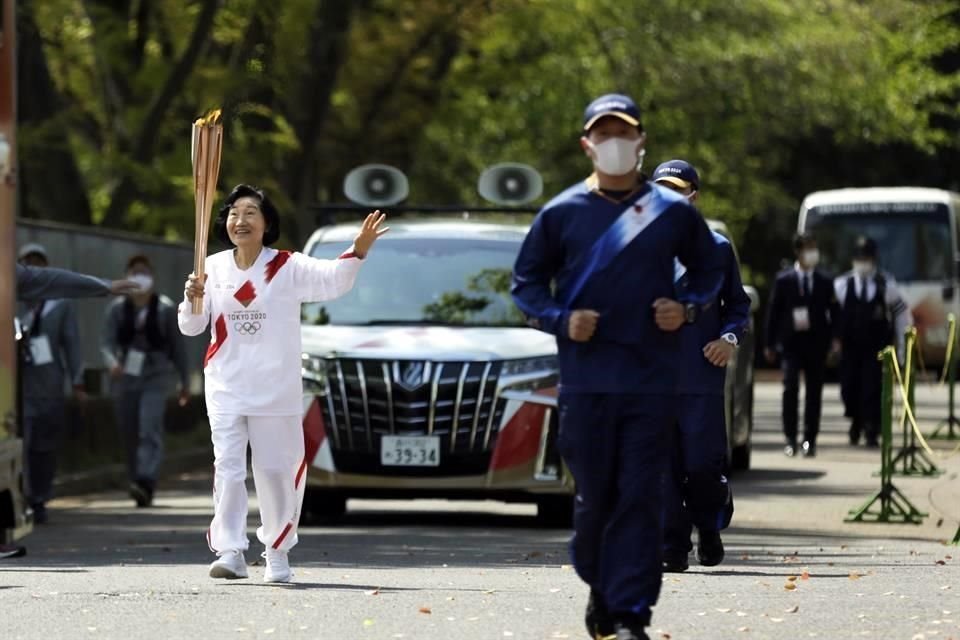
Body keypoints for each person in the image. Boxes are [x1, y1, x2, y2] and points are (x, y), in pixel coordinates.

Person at [511, 94, 724, 640]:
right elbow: (526, 287)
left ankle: (631, 613)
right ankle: (602, 586)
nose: (614, 144)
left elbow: (709, 271)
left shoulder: (673, 213)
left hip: (651, 382)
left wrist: (689, 309)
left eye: (623, 133)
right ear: (587, 144)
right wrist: (562, 319)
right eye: (603, 134)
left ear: (641, 142)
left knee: (640, 495)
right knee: (595, 502)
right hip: (586, 383)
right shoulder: (561, 214)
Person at [179, 184, 386, 584]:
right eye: (235, 213)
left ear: (266, 223)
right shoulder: (211, 267)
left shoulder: (287, 266)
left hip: (276, 388)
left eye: (251, 213)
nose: (241, 220)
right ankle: (231, 550)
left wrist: (358, 249)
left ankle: (277, 551)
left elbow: (333, 280)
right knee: (229, 467)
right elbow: (191, 327)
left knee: (275, 470)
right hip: (226, 384)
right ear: (225, 222)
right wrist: (192, 299)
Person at [2, 259, 141, 559]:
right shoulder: (24, 306)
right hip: (22, 386)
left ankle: (34, 500)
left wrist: (103, 286)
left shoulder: (19, 280)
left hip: (38, 386)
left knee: (33, 448)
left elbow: (52, 281)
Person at [652, 161, 751, 574]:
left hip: (700, 375)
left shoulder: (717, 248)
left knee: (701, 466)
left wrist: (728, 340)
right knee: (662, 468)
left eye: (678, 190)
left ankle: (710, 523)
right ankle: (672, 546)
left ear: (694, 196)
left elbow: (738, 306)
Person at [102, 255, 190, 507]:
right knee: (129, 431)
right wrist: (112, 363)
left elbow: (178, 348)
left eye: (144, 272)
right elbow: (106, 343)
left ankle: (146, 479)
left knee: (148, 428)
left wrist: (184, 381)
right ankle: (136, 481)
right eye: (134, 272)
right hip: (126, 377)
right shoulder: (117, 309)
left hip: (155, 374)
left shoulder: (164, 308)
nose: (139, 276)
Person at [15, 244, 87, 525]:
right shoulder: (13, 300)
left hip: (50, 387)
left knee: (44, 447)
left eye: (39, 264)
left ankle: (40, 497)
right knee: (24, 443)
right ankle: (26, 498)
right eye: (28, 264)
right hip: (20, 389)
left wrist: (77, 382)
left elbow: (72, 345)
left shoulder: (60, 304)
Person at [764, 232, 838, 457]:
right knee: (790, 389)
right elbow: (773, 313)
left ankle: (810, 439)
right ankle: (790, 438)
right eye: (807, 248)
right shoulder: (784, 280)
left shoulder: (825, 281)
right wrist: (769, 344)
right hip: (791, 345)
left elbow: (835, 312)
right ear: (797, 251)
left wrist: (836, 340)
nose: (811, 252)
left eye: (814, 247)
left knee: (814, 393)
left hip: (816, 344)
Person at [834, 236, 911, 446]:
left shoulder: (886, 284)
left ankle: (872, 428)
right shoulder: (842, 285)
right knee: (849, 389)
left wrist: (904, 346)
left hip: (876, 348)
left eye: (866, 257)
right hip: (850, 349)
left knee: (872, 388)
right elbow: (832, 316)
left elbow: (902, 315)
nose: (863, 261)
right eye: (859, 257)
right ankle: (856, 420)